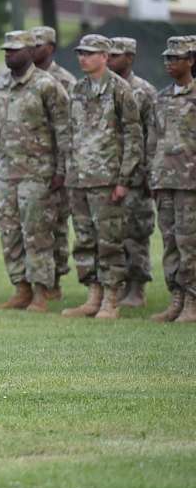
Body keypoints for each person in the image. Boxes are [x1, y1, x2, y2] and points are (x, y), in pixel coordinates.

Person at [0, 31, 70, 313]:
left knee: (37, 233)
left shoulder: (47, 85)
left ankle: (42, 292)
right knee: (9, 231)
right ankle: (20, 288)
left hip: (39, 173)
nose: (8, 54)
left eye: (14, 50)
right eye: (6, 50)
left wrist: (60, 170)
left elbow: (63, 130)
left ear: (30, 52)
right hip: (7, 173)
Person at [61, 35, 142, 320]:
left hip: (107, 179)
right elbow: (70, 132)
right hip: (79, 178)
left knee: (109, 240)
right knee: (84, 239)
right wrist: (68, 170)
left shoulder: (120, 90)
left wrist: (124, 178)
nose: (83, 57)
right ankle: (92, 296)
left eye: (90, 53)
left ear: (105, 56)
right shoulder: (77, 89)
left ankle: (111, 299)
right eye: (80, 53)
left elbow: (134, 137)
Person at [148, 37, 196, 322]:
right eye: (166, 58)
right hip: (164, 180)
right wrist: (151, 173)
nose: (169, 63)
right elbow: (153, 139)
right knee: (170, 242)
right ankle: (176, 298)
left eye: (175, 58)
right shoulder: (162, 97)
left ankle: (192, 300)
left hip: (190, 182)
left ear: (191, 60)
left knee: (190, 242)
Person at [107, 37, 158, 308]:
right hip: (107, 174)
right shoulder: (105, 90)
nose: (110, 60)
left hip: (137, 177)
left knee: (136, 232)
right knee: (113, 234)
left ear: (130, 57)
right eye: (108, 55)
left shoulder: (144, 92)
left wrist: (150, 173)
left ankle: (137, 287)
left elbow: (152, 136)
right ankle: (119, 284)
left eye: (116, 55)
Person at [30, 25, 76, 296]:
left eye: (40, 44)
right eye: (31, 45)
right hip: (31, 166)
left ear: (52, 47)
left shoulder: (65, 81)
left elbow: (67, 129)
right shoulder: (26, 79)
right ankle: (38, 282)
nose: (34, 49)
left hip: (57, 166)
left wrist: (63, 168)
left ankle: (55, 280)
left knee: (57, 225)